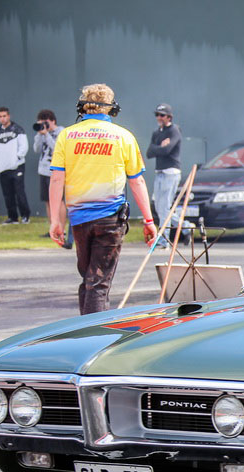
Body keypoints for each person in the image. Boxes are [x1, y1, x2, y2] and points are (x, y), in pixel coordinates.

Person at [48, 83, 157, 314]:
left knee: (89, 279)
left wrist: (55, 221)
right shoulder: (123, 136)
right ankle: (94, 331)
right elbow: (136, 181)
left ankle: (84, 328)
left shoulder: (67, 135)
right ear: (111, 108)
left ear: (82, 106)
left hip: (79, 219)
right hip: (110, 219)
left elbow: (57, 179)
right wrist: (149, 220)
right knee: (98, 282)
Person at [146, 103, 184, 246]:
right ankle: (185, 227)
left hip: (171, 172)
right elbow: (149, 152)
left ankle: (163, 240)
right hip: (159, 172)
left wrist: (159, 148)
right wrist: (159, 147)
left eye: (162, 115)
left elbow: (167, 150)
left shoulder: (174, 130)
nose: (159, 117)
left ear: (169, 117)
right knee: (158, 207)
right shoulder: (156, 133)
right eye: (157, 115)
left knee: (164, 207)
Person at [0, 106, 31, 223]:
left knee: (19, 192)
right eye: (0, 116)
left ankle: (25, 216)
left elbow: (24, 147)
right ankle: (13, 217)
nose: (2, 119)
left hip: (17, 166)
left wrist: (17, 158)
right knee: (7, 194)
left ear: (9, 116)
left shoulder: (18, 129)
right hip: (3, 168)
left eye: (4, 116)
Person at [32, 109, 65, 226]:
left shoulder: (61, 132)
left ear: (53, 121)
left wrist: (46, 134)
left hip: (56, 171)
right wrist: (39, 133)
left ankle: (62, 229)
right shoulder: (41, 133)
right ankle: (52, 228)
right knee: (48, 201)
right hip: (43, 170)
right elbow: (36, 149)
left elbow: (57, 149)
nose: (44, 125)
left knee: (59, 201)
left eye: (46, 122)